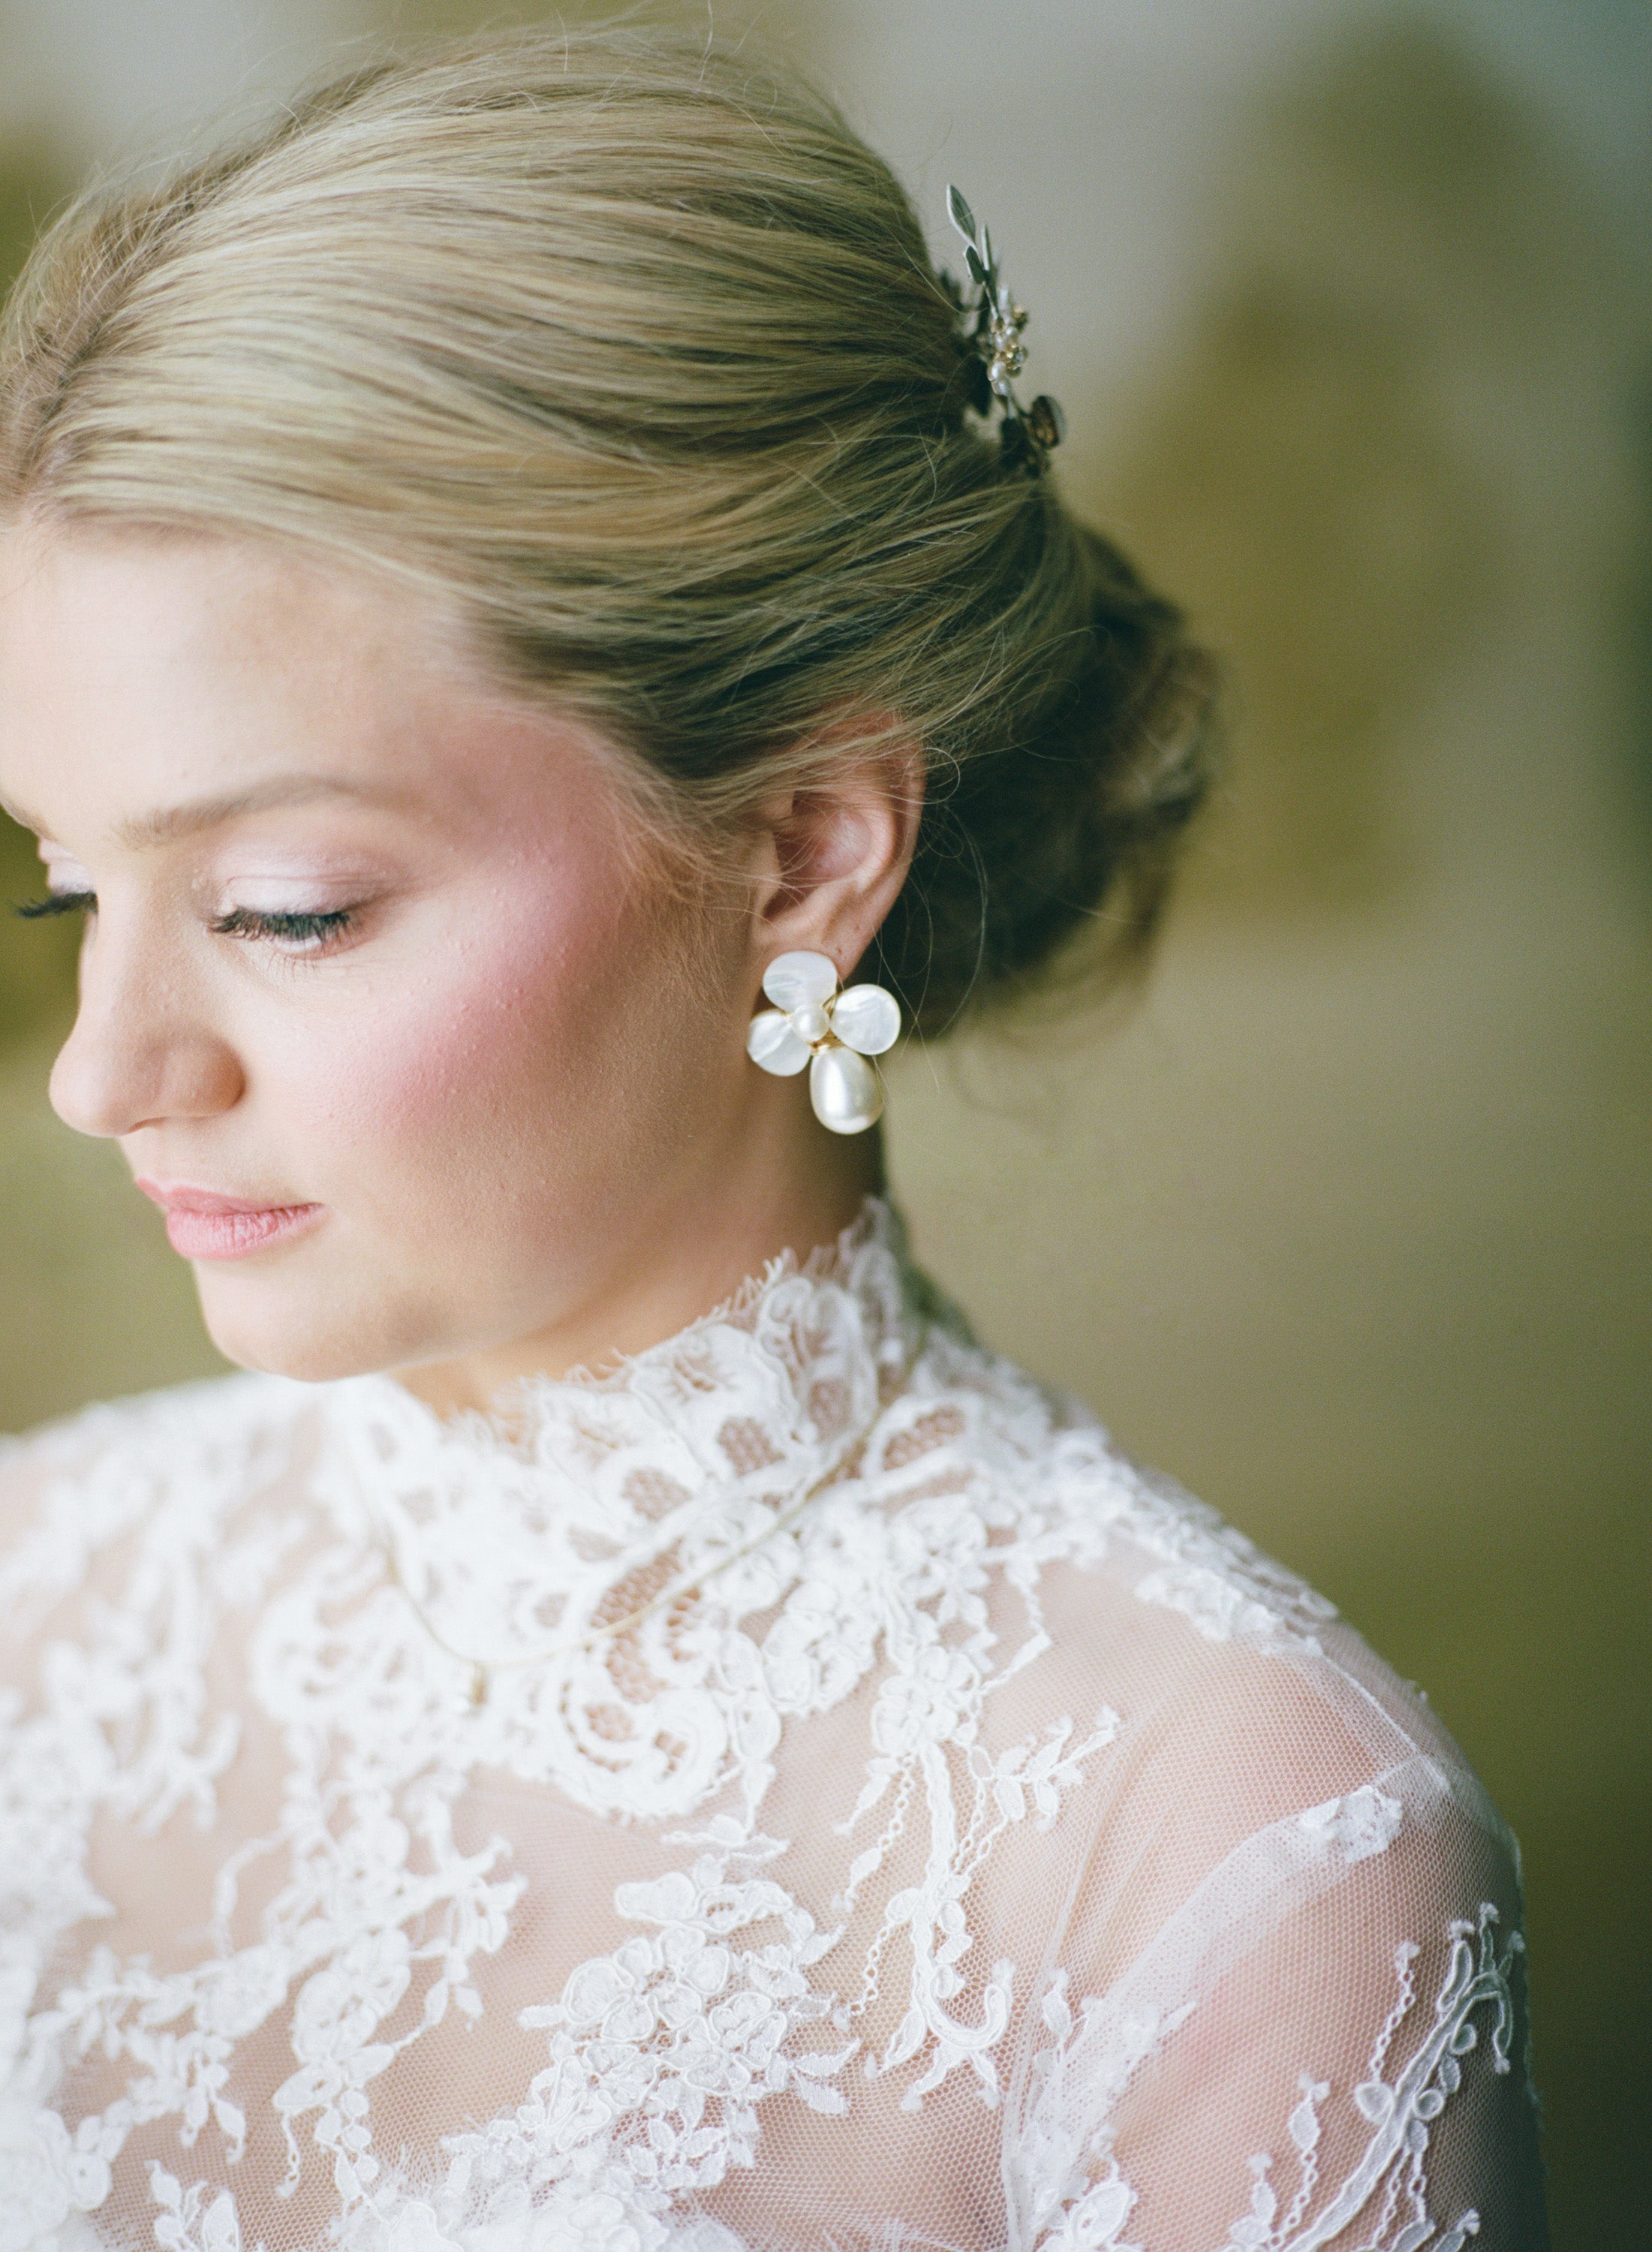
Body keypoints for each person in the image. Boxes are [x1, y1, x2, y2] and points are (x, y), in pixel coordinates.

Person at [0, 26, 1545, 2251]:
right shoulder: (38, 1597)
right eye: (68, 888)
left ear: (807, 848)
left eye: (284, 910)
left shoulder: (1228, 1851)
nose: (102, 1066)